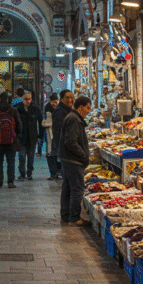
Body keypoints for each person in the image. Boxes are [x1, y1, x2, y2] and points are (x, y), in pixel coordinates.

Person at [59, 96, 92, 225]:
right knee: (77, 189)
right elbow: (71, 141)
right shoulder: (74, 119)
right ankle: (74, 217)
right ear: (80, 108)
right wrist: (83, 156)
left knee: (67, 187)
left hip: (68, 159)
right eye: (87, 108)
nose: (88, 111)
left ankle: (66, 215)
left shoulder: (73, 117)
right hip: (73, 160)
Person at [0, 91, 22, 188]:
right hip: (11, 140)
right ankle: (10, 182)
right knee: (11, 162)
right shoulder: (13, 110)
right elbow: (19, 124)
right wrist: (17, 134)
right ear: (8, 99)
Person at [50, 90, 75, 181]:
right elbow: (60, 131)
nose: (70, 100)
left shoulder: (67, 110)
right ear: (62, 99)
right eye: (67, 98)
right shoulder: (60, 112)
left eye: (72, 97)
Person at [16, 92, 41, 180]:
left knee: (31, 156)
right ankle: (22, 173)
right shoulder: (18, 109)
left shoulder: (35, 108)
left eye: (29, 99)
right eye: (26, 99)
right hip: (21, 137)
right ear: (22, 99)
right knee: (22, 156)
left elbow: (40, 122)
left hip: (32, 136)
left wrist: (40, 135)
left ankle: (29, 172)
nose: (28, 101)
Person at [41, 93, 59, 170]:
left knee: (58, 153)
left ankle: (58, 171)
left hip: (58, 134)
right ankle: (53, 172)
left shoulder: (61, 108)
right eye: (53, 102)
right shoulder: (47, 107)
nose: (54, 104)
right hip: (49, 133)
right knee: (50, 152)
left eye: (56, 102)